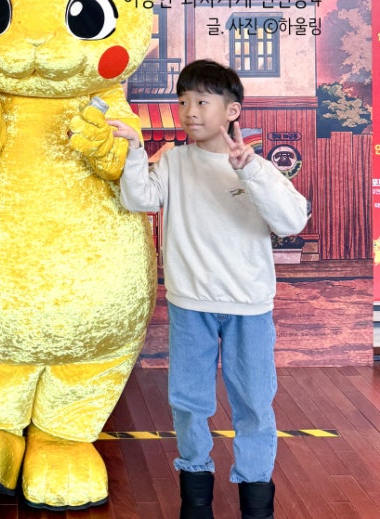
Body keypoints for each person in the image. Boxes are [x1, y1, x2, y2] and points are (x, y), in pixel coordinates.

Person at [109, 59, 309, 519]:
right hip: (190, 304)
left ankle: (256, 502)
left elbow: (291, 221)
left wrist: (250, 172)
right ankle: (195, 498)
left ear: (232, 110)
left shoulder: (256, 167)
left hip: (249, 307)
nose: (190, 111)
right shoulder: (174, 161)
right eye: (183, 102)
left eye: (202, 101)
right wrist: (135, 150)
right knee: (188, 402)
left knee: (253, 404)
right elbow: (138, 199)